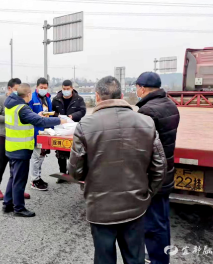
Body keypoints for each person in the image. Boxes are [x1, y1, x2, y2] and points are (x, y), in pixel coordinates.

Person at [69, 76, 167, 264]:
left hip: (100, 208)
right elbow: (159, 167)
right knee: (135, 257)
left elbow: (75, 172)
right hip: (135, 205)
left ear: (97, 96)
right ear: (121, 95)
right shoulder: (146, 122)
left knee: (104, 257)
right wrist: (147, 194)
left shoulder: (85, 126)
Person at [136, 72, 180, 264]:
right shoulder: (170, 104)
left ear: (143, 88)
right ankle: (161, 255)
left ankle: (158, 259)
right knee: (162, 220)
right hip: (166, 171)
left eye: (136, 87)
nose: (136, 90)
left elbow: (143, 149)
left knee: (153, 224)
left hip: (154, 175)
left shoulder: (147, 112)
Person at [3, 83, 66, 217]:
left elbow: (26, 119)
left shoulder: (10, 105)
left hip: (11, 147)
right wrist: (59, 120)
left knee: (13, 176)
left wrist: (37, 115)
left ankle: (7, 203)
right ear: (28, 94)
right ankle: (19, 208)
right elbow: (40, 122)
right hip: (21, 149)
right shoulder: (22, 108)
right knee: (19, 180)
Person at [0, 78, 30, 201]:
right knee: (1, 163)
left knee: (16, 166)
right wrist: (10, 118)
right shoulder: (0, 100)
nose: (18, 92)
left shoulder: (21, 101)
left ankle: (16, 190)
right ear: (9, 88)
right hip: (4, 136)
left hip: (17, 138)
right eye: (16, 89)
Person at [52, 79, 86, 182]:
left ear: (72, 89)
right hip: (60, 128)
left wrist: (73, 116)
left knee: (74, 151)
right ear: (61, 88)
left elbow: (82, 111)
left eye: (68, 89)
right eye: (64, 89)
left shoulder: (79, 99)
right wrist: (58, 117)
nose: (66, 91)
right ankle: (62, 174)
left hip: (74, 128)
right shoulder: (56, 99)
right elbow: (53, 112)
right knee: (60, 151)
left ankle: (73, 174)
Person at [28, 77, 53, 191]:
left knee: (42, 155)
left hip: (46, 131)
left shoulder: (47, 98)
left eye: (45, 88)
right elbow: (28, 114)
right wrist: (37, 115)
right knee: (36, 156)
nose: (43, 89)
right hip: (36, 131)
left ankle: (38, 177)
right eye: (41, 87)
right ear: (37, 87)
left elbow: (50, 115)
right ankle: (34, 180)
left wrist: (52, 129)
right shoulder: (32, 98)